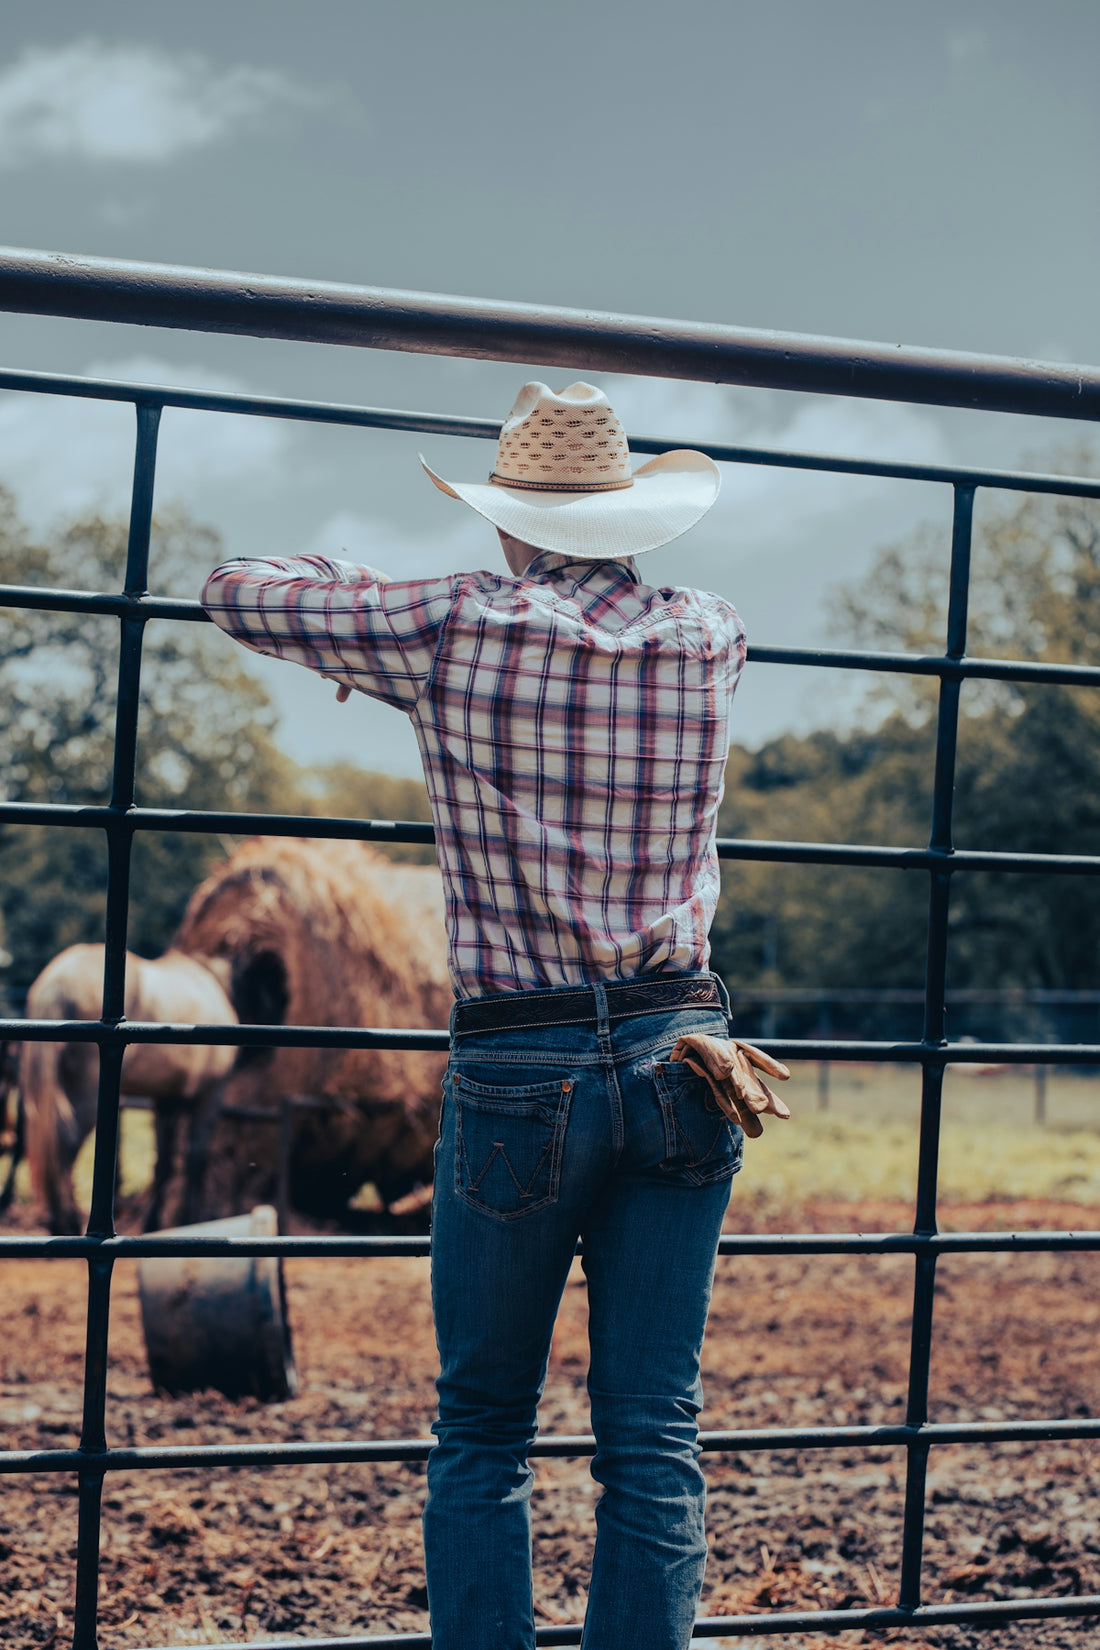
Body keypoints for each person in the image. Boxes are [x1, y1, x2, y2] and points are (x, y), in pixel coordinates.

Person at [201, 379, 790, 1650]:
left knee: (481, 1424)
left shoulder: (454, 626)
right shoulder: (713, 634)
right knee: (653, 1428)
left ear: (506, 520)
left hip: (522, 1059)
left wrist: (354, 608)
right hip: (682, 1048)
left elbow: (235, 587)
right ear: (634, 517)